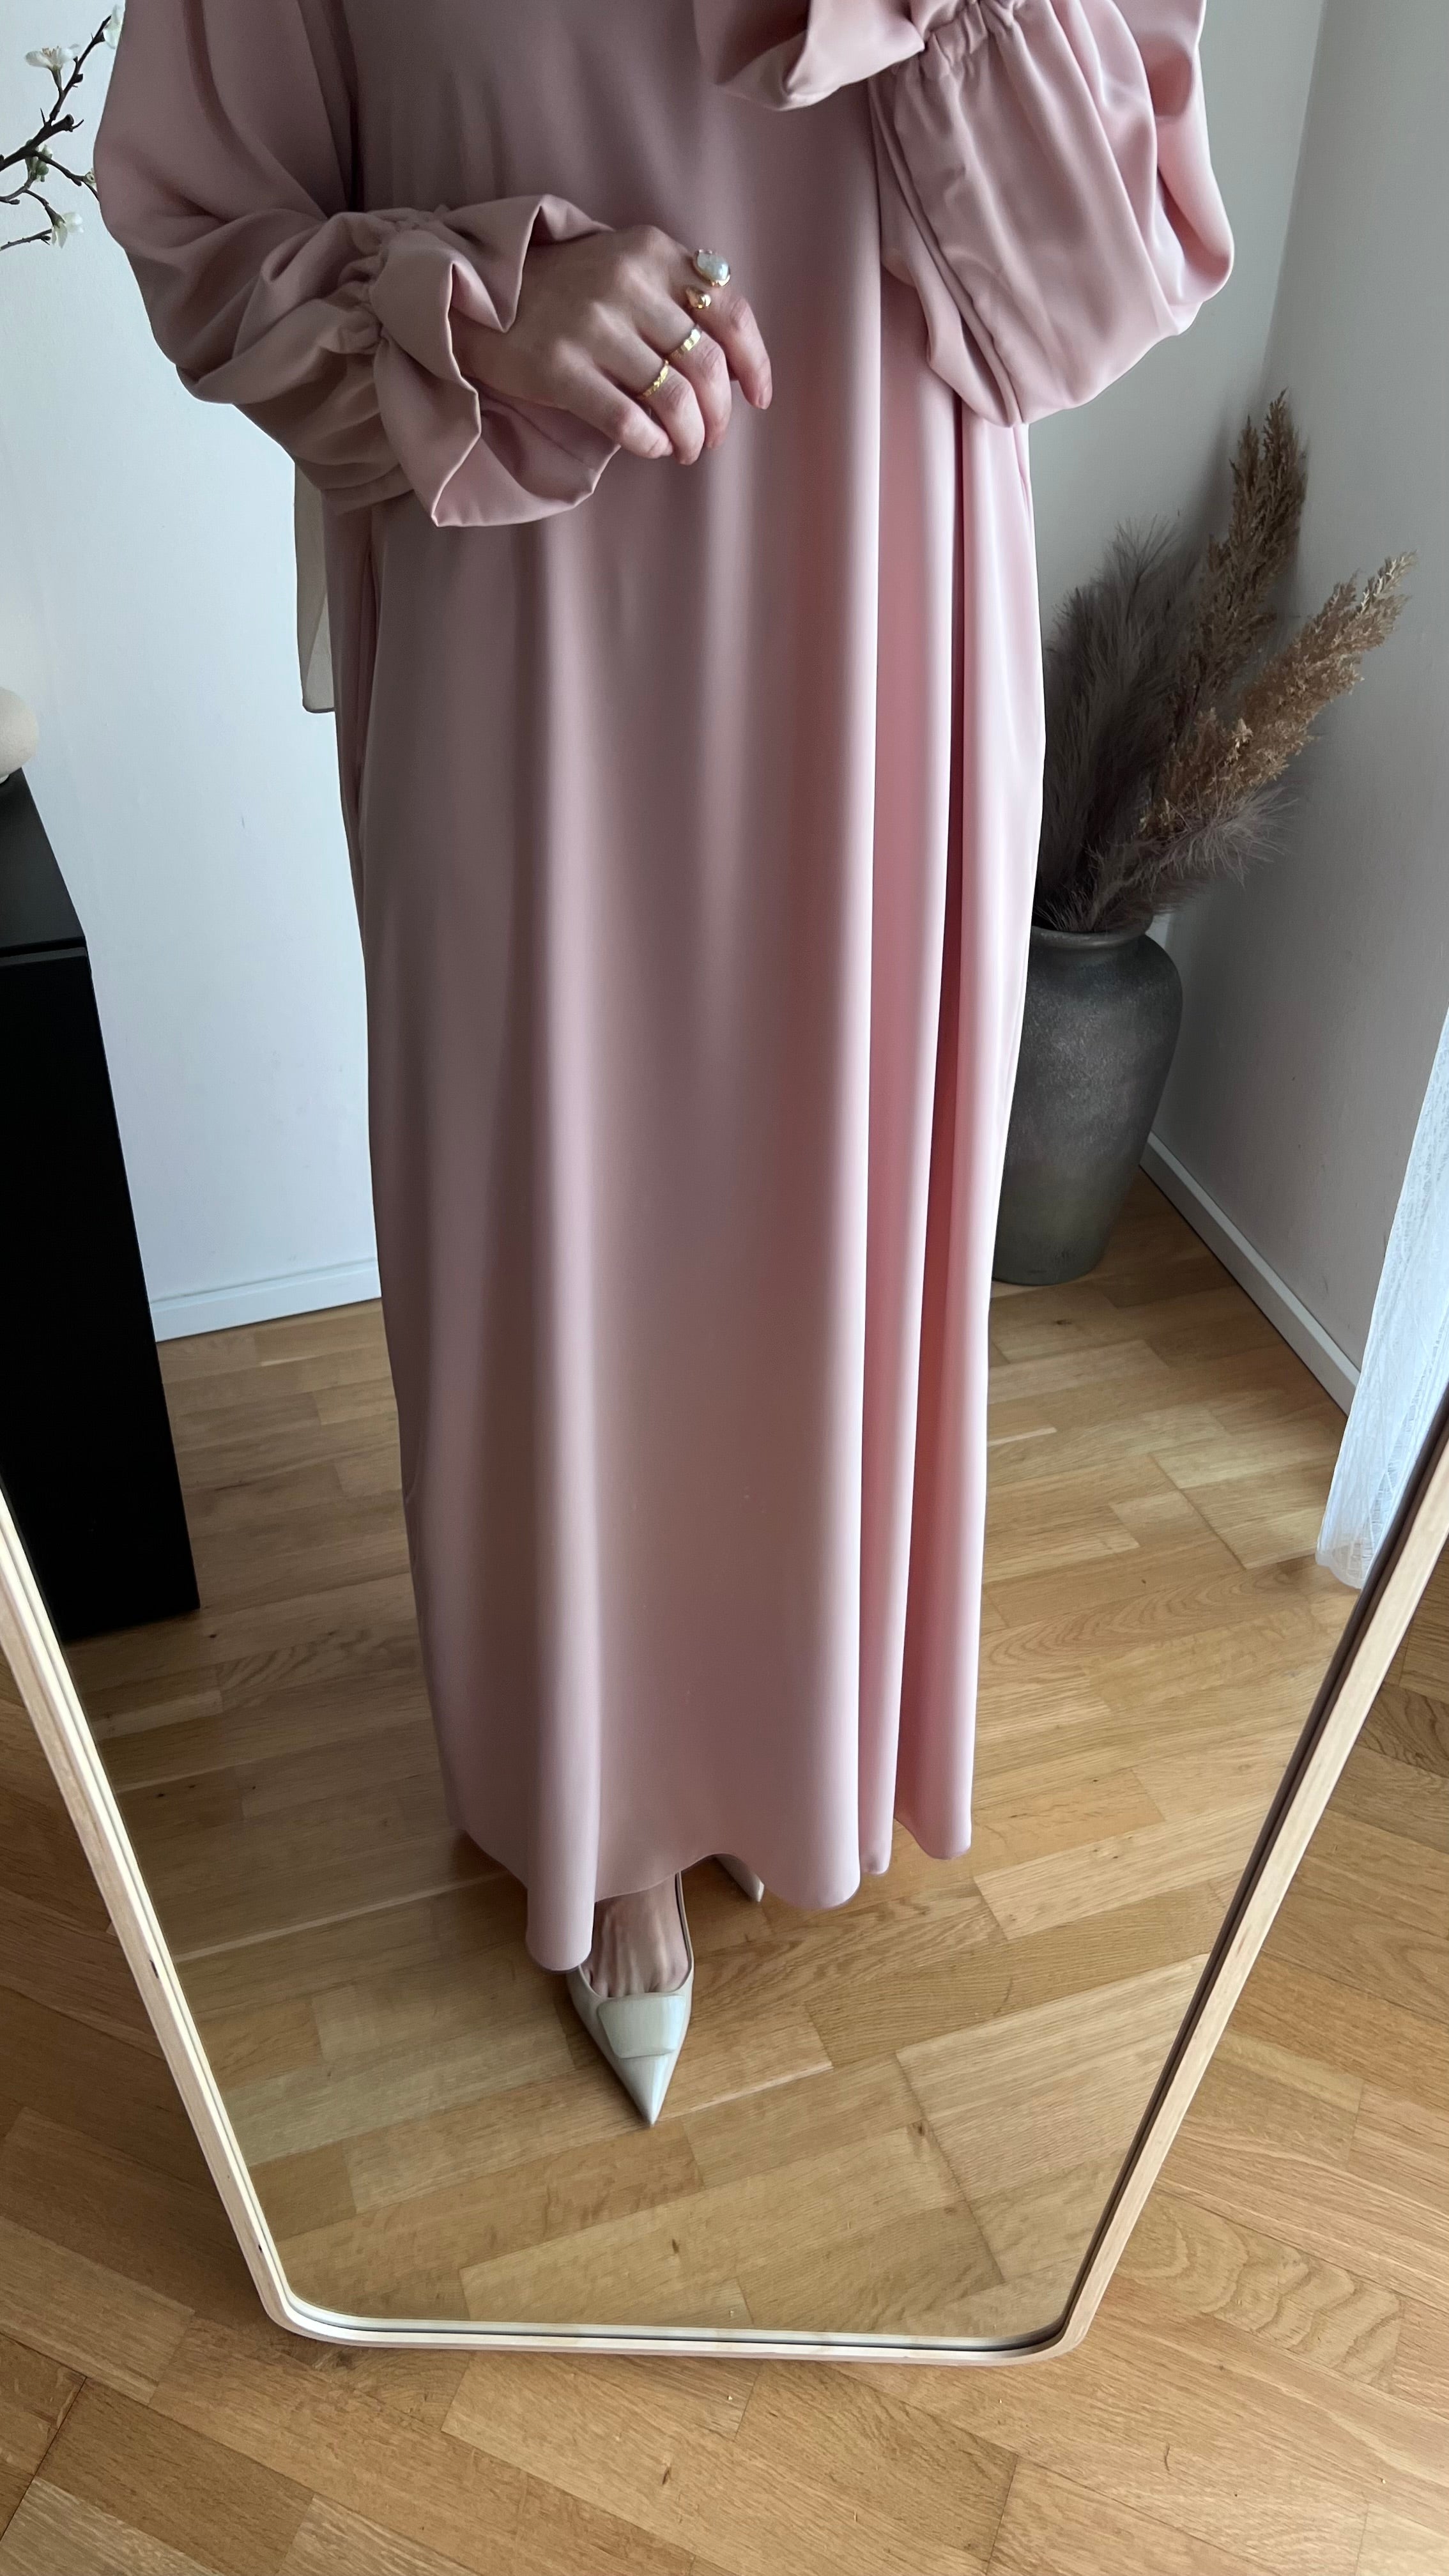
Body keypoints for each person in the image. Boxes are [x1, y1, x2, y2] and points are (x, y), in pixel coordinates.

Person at [95, 0, 1231, 2122]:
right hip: (530, 633)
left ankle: (791, 1726)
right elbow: (193, 219)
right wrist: (477, 302)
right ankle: (596, 1797)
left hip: (887, 606)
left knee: (830, 1204)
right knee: (552, 1219)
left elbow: (1091, 287)